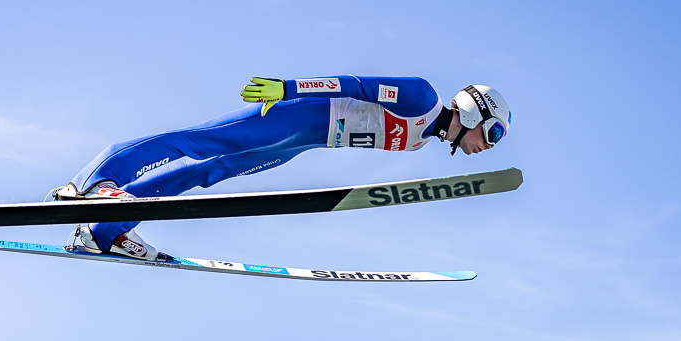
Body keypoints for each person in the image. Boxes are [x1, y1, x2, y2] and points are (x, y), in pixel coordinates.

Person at [53, 76, 511, 259]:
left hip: (302, 142)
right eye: (492, 134)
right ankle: (94, 181)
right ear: (475, 112)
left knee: (210, 171)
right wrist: (288, 89)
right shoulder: (422, 99)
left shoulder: (420, 138)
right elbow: (354, 84)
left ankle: (105, 230)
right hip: (293, 116)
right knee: (199, 141)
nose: (487, 146)